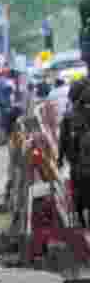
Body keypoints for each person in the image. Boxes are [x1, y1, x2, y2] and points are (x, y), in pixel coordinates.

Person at [60, 82, 90, 229]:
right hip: (79, 160)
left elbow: (63, 140)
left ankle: (81, 219)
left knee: (79, 189)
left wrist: (60, 158)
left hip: (77, 162)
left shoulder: (69, 116)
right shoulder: (73, 115)